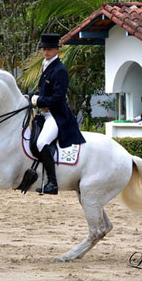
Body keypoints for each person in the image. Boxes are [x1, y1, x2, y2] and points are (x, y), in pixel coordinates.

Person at [30, 33, 86, 195]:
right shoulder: (45, 64)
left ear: (56, 50)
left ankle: (53, 183)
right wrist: (31, 96)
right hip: (42, 114)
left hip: (56, 115)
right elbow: (43, 90)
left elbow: (57, 98)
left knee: (41, 143)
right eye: (44, 49)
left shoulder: (60, 69)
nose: (46, 52)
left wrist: (37, 101)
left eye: (49, 49)